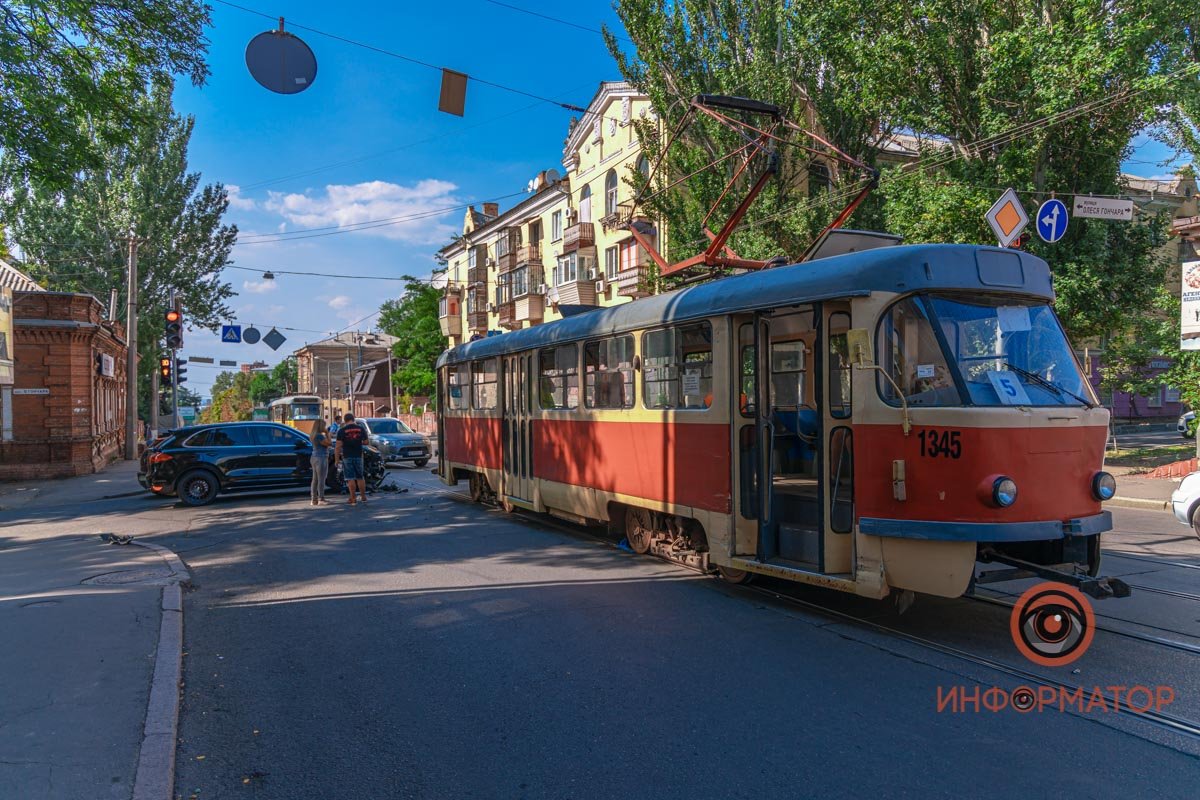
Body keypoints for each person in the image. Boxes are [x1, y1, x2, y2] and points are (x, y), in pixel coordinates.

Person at [335, 412, 369, 505]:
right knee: (360, 477)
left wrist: (337, 459)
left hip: (347, 456)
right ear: (353, 419)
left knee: (350, 478)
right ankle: (363, 497)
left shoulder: (342, 431)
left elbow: (338, 446)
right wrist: (358, 442)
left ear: (345, 421)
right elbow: (366, 442)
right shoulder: (361, 429)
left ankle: (353, 498)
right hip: (358, 455)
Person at [309, 418, 331, 506]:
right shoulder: (320, 436)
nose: (325, 427)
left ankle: (314, 499)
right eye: (324, 426)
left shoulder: (313, 435)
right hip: (321, 457)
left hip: (314, 457)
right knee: (321, 479)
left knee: (315, 479)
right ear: (321, 426)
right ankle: (321, 498)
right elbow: (329, 443)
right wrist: (327, 433)